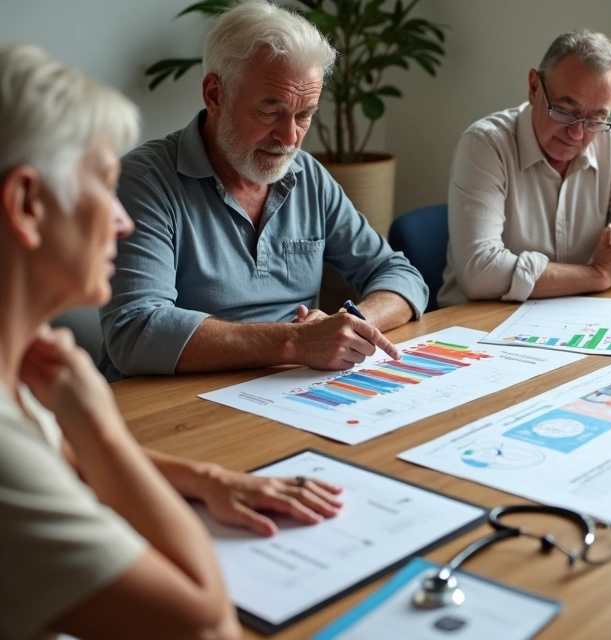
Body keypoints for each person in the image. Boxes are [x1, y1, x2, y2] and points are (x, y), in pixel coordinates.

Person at [0, 44, 345, 640]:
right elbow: (208, 622)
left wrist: (210, 479)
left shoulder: (24, 374)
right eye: (103, 187)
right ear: (28, 205)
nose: (121, 219)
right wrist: (102, 426)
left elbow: (58, 458)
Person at [100, 0, 428, 381]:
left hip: (286, 394)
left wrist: (352, 326)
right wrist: (295, 342)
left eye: (304, 114)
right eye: (270, 112)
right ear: (215, 95)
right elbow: (135, 332)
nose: (290, 138)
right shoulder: (144, 182)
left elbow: (399, 274)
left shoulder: (308, 176)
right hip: (174, 405)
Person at [440, 29, 611, 307]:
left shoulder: (609, 141)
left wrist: (604, 272)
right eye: (565, 111)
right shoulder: (485, 144)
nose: (577, 133)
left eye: (595, 119)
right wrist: (598, 274)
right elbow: (480, 273)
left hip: (568, 320)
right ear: (534, 87)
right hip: (474, 327)